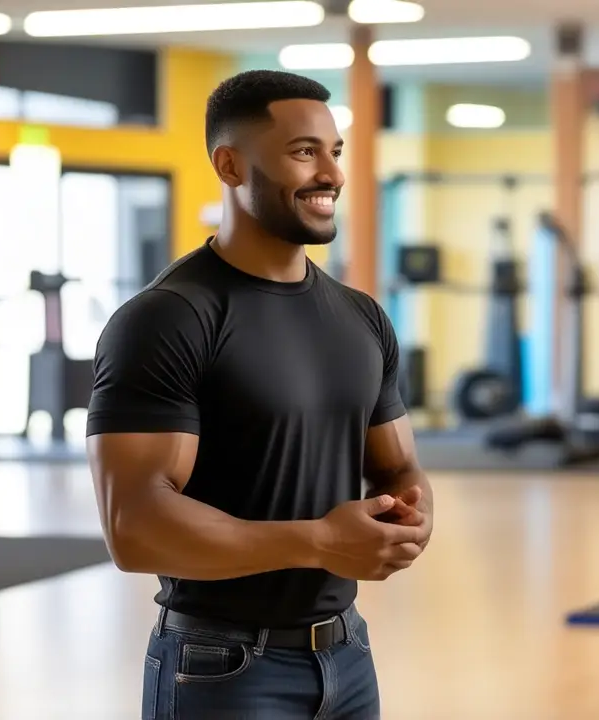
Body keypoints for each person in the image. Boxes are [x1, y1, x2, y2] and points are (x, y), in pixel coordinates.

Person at [85, 69, 434, 719]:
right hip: (222, 667)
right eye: (304, 152)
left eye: (334, 151)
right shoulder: (169, 318)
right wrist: (318, 541)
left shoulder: (361, 317)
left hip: (347, 652)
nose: (330, 172)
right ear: (231, 165)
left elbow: (396, 463)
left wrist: (414, 513)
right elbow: (132, 527)